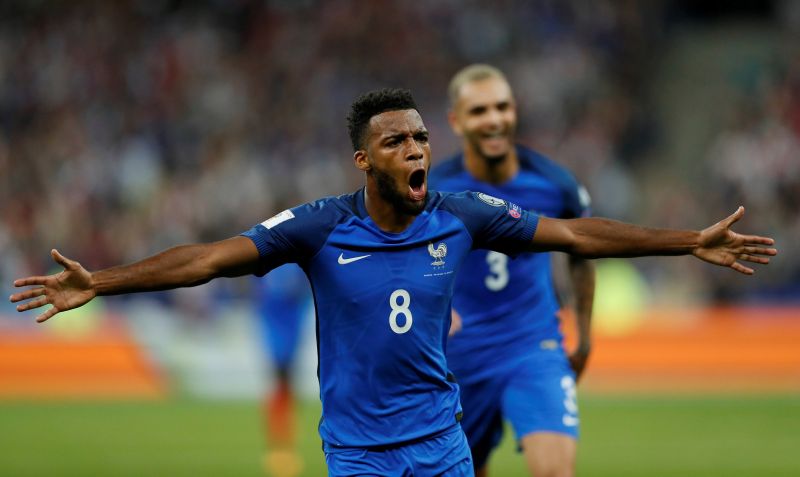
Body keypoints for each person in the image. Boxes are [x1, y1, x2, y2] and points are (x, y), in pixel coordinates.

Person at [10, 88, 775, 477]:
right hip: (361, 451)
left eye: (419, 136)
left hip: (441, 441)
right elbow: (209, 257)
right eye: (395, 140)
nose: (415, 148)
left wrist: (687, 241)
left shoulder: (462, 214)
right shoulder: (317, 226)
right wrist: (101, 282)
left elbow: (574, 233)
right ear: (365, 160)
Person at [428, 64, 593, 477]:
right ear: (456, 120)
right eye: (479, 110)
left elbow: (582, 255)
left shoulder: (555, 184)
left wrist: (585, 337)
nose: (494, 119)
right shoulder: (432, 191)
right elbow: (400, 259)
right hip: (460, 356)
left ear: (515, 111)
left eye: (502, 107)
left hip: (533, 345)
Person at [252, 264, 311, 477]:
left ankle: (283, 443)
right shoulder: (278, 263)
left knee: (286, 385)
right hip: (276, 328)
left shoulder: (291, 264)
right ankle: (281, 445)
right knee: (282, 383)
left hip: (290, 326)